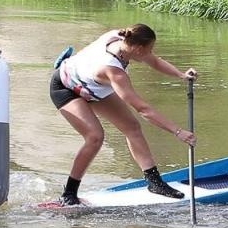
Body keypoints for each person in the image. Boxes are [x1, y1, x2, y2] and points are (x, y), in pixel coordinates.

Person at [50, 24, 197, 205]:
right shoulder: (114, 72)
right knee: (95, 137)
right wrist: (177, 131)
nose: (151, 53)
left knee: (131, 127)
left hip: (90, 86)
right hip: (65, 87)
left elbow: (155, 61)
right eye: (149, 49)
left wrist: (181, 75)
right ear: (138, 49)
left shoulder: (126, 39)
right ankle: (69, 194)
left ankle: (155, 183)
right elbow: (143, 109)